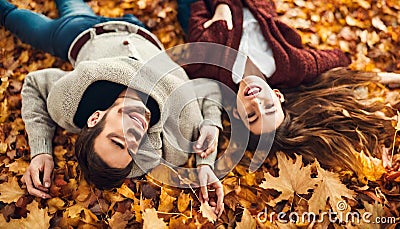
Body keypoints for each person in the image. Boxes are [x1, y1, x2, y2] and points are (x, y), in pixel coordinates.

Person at [1, 0, 224, 216]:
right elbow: (209, 89)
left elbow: (34, 84)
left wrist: (41, 151)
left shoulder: (71, 103)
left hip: (81, 32)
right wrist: (207, 154)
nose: (135, 136)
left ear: (95, 118)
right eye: (133, 148)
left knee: (15, 17)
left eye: (118, 140)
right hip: (139, 29)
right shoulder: (181, 126)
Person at [181, 0, 400, 175]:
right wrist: (387, 78)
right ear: (278, 96)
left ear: (237, 112)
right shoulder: (292, 66)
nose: (256, 102)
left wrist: (222, 7)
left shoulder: (207, 67)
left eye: (251, 114)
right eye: (268, 107)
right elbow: (339, 60)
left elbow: (197, 9)